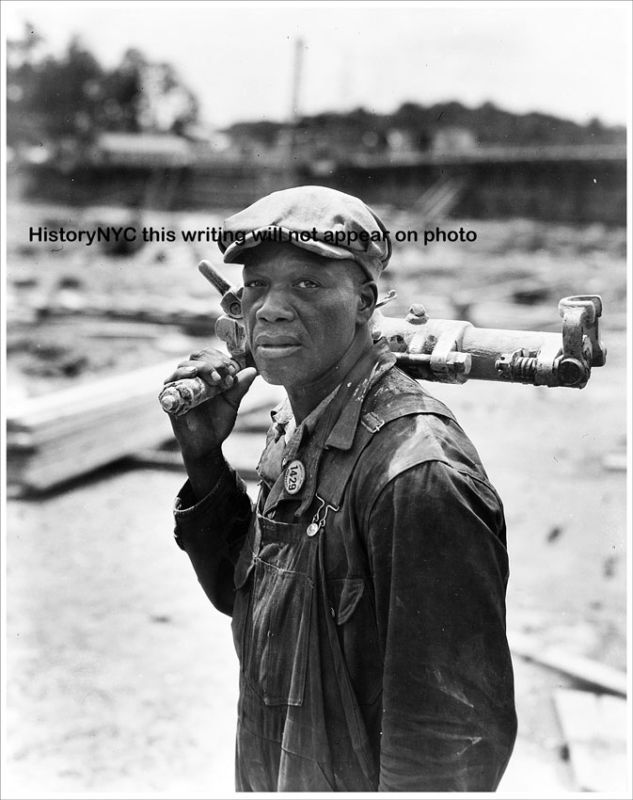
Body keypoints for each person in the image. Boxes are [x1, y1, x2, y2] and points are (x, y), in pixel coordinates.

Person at [166, 186, 517, 791]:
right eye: (256, 286)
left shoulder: (415, 475)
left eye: (306, 285)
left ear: (364, 302)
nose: (270, 309)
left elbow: (449, 745)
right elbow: (250, 600)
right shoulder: (300, 429)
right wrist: (204, 460)